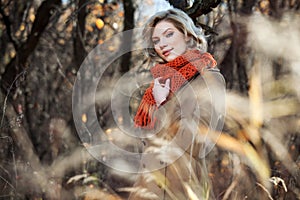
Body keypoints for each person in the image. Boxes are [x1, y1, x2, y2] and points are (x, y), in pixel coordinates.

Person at [129, 8, 225, 200]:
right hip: (147, 188)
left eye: (169, 34)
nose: (162, 44)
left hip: (183, 189)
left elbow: (196, 142)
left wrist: (163, 104)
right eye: (156, 41)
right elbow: (146, 144)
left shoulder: (209, 78)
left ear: (188, 36)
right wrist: (158, 100)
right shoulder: (160, 84)